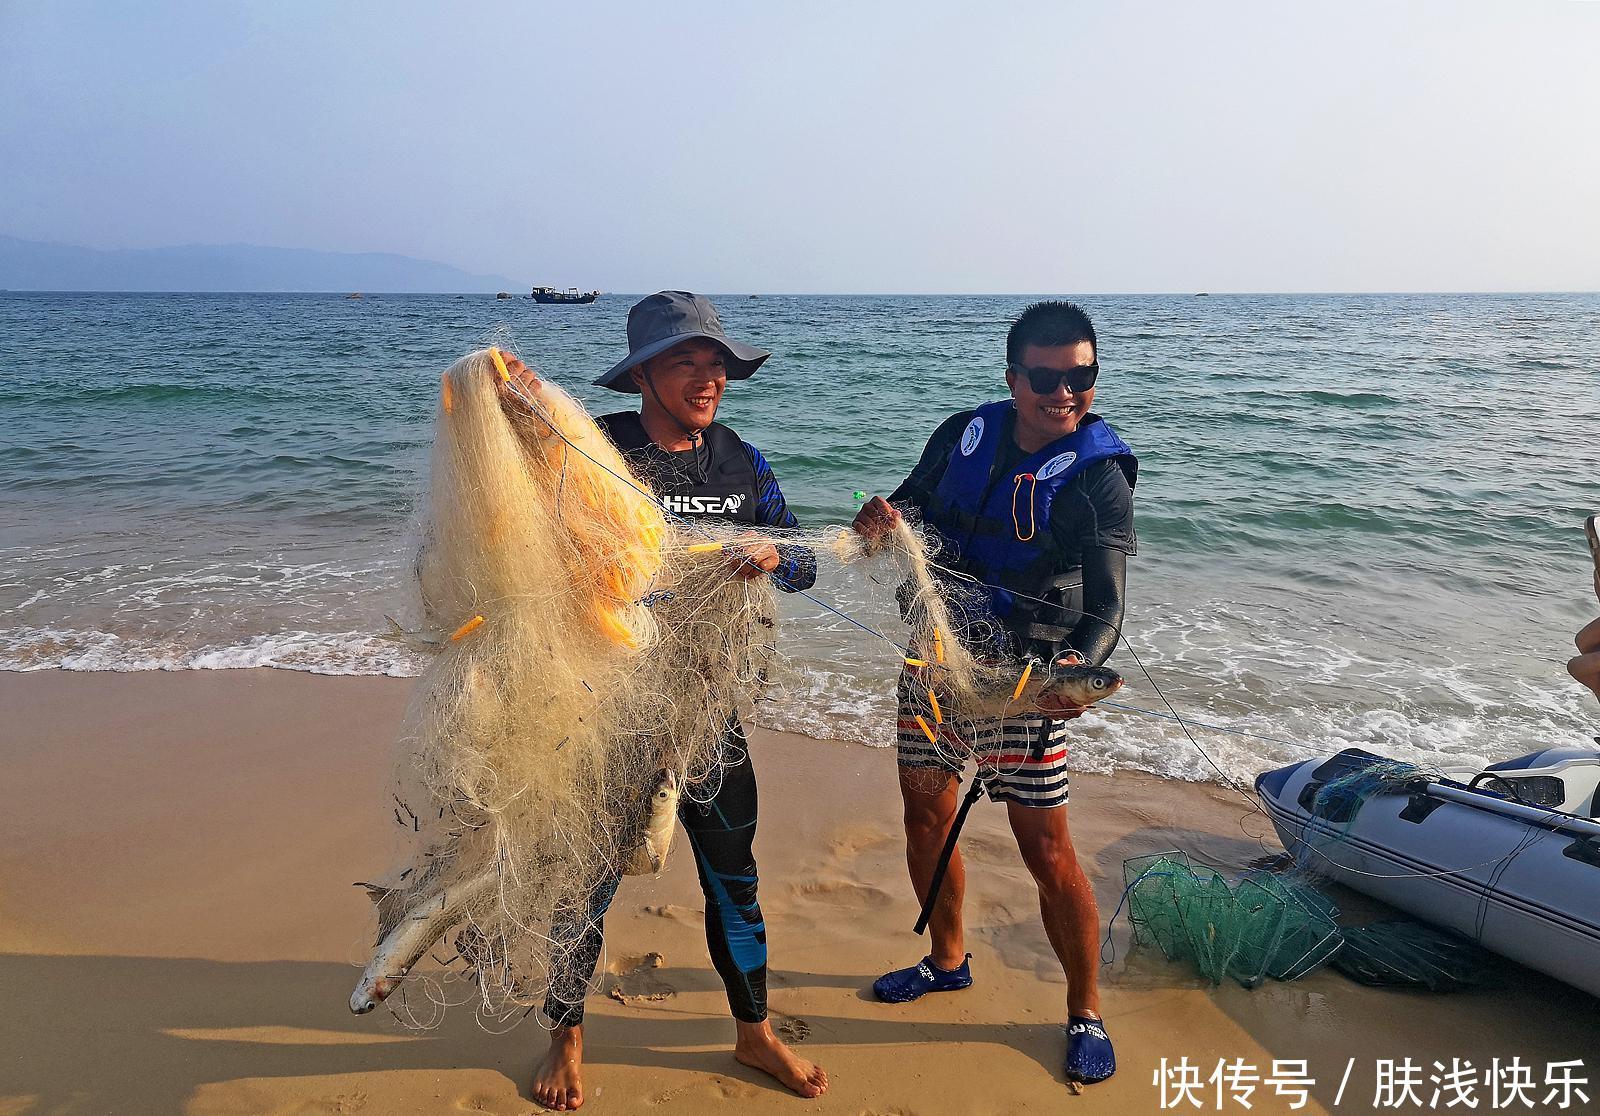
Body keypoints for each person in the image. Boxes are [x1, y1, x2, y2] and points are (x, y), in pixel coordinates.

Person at [498, 291, 827, 1110]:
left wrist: (770, 554)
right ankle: (566, 1036)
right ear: (643, 374)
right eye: (687, 361)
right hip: (613, 708)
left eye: (717, 363)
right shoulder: (600, 451)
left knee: (734, 879)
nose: (708, 377)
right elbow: (520, 513)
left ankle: (754, 1035)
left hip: (711, 711)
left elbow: (806, 560)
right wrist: (520, 405)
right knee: (585, 880)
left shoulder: (741, 461)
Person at [851, 300, 1135, 1087]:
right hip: (933, 668)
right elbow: (910, 503)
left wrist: (1074, 670)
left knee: (1046, 850)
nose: (1064, 393)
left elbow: (1109, 607)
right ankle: (947, 961)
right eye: (1045, 378)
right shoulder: (961, 434)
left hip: (1026, 685)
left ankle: (1084, 1009)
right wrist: (882, 518)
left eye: (1080, 376)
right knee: (925, 817)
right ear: (1013, 378)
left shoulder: (1100, 478)